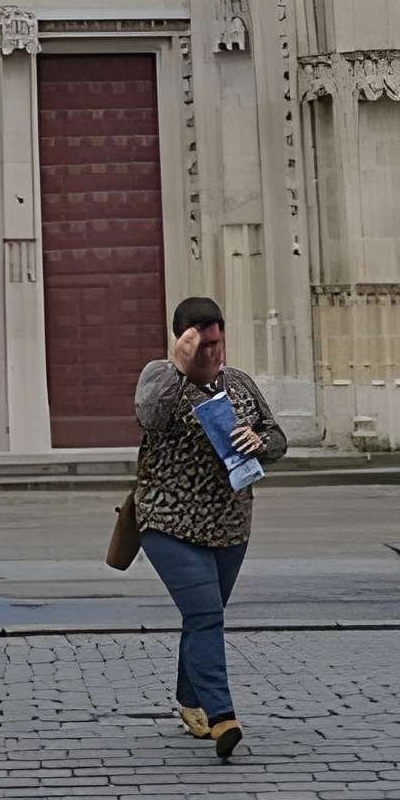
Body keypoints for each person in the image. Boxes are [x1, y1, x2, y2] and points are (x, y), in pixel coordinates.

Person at [133, 296, 280, 761]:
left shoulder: (238, 384)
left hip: (229, 525)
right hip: (166, 521)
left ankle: (189, 699)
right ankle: (223, 717)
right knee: (205, 616)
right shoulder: (161, 379)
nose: (214, 353)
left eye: (219, 343)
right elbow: (150, 418)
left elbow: (277, 437)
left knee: (204, 615)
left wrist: (259, 442)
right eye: (204, 345)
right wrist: (179, 367)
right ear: (183, 340)